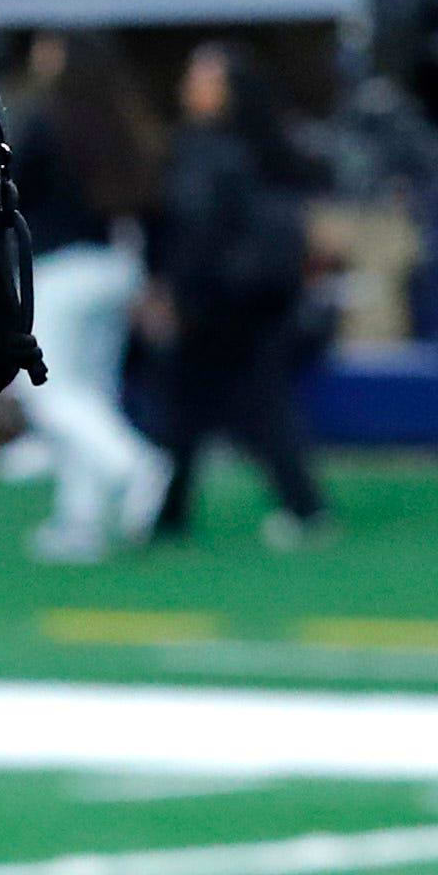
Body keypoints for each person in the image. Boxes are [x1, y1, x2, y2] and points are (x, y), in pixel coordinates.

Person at [142, 39, 333, 548]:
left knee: (238, 408)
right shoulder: (267, 146)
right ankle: (173, 511)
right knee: (207, 409)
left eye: (204, 80)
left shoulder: (208, 151)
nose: (190, 89)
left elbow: (196, 229)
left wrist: (179, 292)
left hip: (222, 301)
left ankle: (298, 506)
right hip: (253, 299)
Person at [8, 33, 173, 563]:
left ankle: (132, 464)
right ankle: (81, 523)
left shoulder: (47, 119)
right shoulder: (125, 122)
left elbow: (13, 194)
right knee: (91, 395)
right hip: (115, 268)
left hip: (61, 272)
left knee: (40, 390)